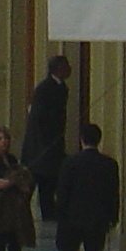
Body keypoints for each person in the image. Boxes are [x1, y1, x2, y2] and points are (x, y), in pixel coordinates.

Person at [55, 122, 121, 251]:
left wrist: (60, 215)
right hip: (99, 219)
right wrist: (113, 217)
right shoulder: (110, 164)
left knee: (65, 247)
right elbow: (113, 193)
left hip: (73, 218)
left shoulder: (70, 162)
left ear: (81, 139)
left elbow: (62, 192)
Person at [25, 55, 73, 220]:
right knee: (36, 178)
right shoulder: (45, 89)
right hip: (43, 146)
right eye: (66, 66)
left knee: (49, 180)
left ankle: (48, 210)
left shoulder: (60, 87)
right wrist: (46, 144)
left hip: (52, 145)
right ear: (59, 69)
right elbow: (39, 119)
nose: (70, 69)